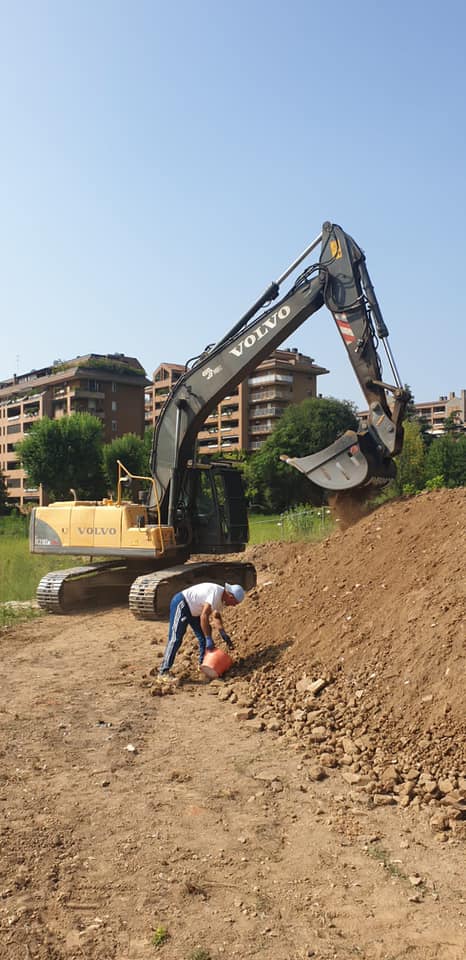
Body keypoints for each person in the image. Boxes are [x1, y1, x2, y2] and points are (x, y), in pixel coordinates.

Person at [158, 582, 245, 680]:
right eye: (235, 603)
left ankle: (203, 665)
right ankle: (163, 672)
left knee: (203, 637)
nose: (233, 606)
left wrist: (223, 633)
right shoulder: (215, 593)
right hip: (183, 604)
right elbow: (204, 615)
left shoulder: (223, 599)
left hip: (195, 611)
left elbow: (216, 616)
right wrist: (209, 638)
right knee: (175, 638)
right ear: (230, 596)